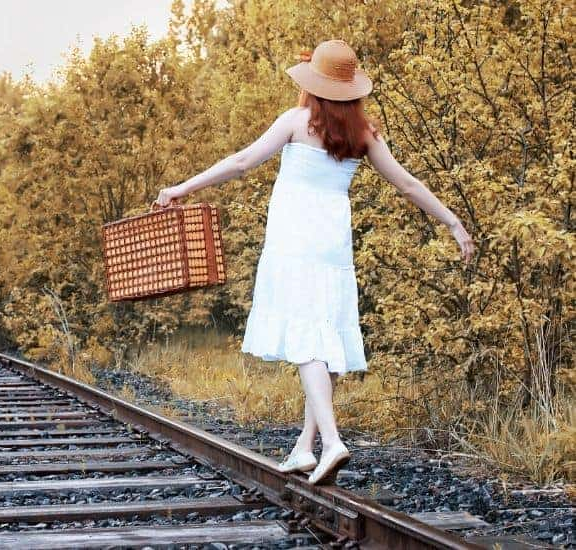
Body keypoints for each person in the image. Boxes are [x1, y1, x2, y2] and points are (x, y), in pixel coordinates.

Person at [155, 39, 475, 485]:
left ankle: (331, 440)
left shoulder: (296, 121)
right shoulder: (364, 134)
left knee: (307, 342)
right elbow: (407, 184)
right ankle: (305, 448)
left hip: (294, 239)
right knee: (323, 338)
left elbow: (242, 162)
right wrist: (454, 223)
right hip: (332, 243)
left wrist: (182, 188)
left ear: (314, 85)